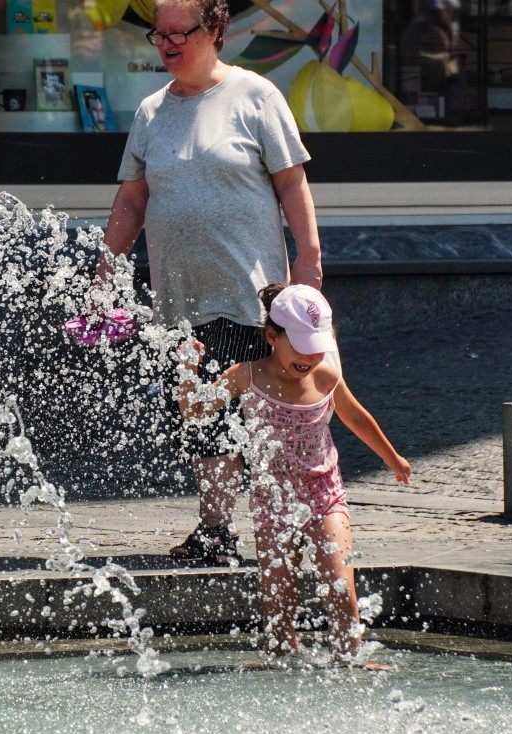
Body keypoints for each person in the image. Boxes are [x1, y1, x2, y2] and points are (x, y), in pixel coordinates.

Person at [96, 0, 323, 564]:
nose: (168, 43)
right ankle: (228, 529)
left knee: (248, 411)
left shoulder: (254, 96)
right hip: (180, 295)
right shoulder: (152, 110)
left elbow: (292, 184)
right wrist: (108, 264)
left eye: (181, 32)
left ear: (215, 30)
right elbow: (132, 196)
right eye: (159, 34)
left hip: (247, 291)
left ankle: (249, 529)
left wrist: (310, 259)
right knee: (202, 413)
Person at [176, 284, 410, 658]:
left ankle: (350, 660)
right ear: (272, 336)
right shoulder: (246, 375)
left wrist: (392, 458)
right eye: (299, 346)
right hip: (273, 499)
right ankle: (282, 665)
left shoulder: (324, 376)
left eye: (316, 346)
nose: (308, 357)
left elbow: (355, 417)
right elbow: (195, 409)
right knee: (279, 606)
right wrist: (188, 369)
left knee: (339, 587)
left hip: (324, 493)